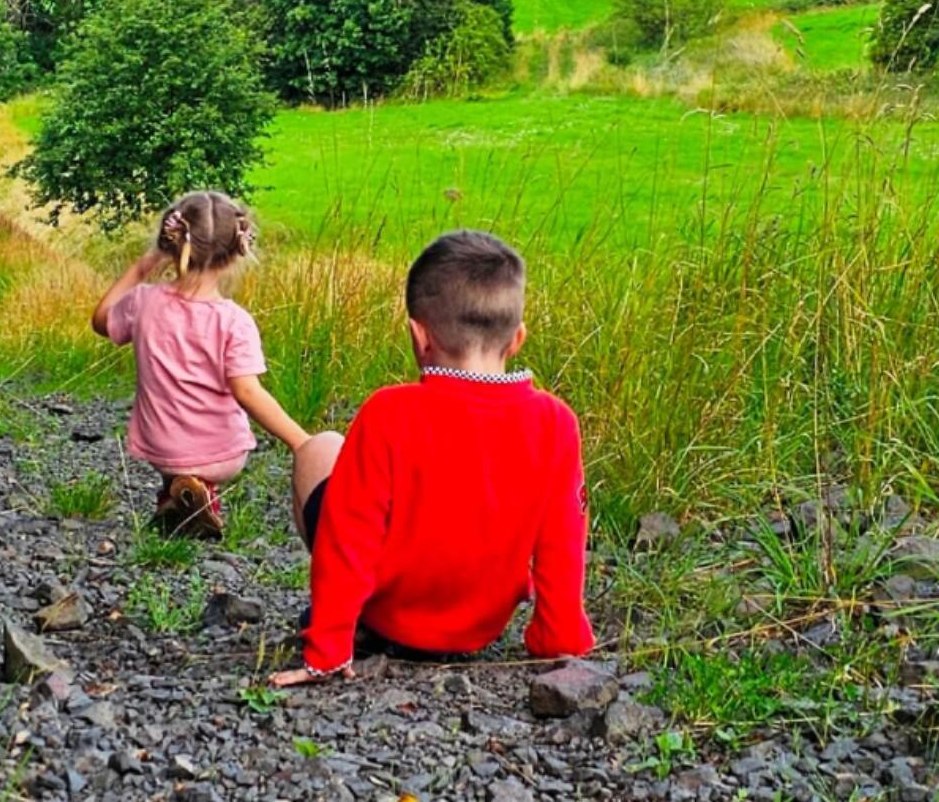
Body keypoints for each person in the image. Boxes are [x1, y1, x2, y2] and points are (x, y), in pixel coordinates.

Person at [272, 229, 593, 684]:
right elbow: (562, 543)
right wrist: (559, 639)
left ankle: (353, 619)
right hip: (481, 628)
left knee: (318, 448)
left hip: (389, 620)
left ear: (419, 336)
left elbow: (350, 535)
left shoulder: (388, 412)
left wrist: (326, 650)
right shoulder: (556, 422)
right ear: (517, 338)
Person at [91, 190, 308, 538]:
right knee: (207, 452)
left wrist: (143, 265)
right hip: (221, 456)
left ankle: (175, 496)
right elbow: (248, 392)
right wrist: (301, 441)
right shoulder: (234, 321)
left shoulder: (143, 302)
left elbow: (102, 321)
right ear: (236, 254)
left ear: (171, 244)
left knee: (176, 452)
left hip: (159, 448)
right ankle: (202, 496)